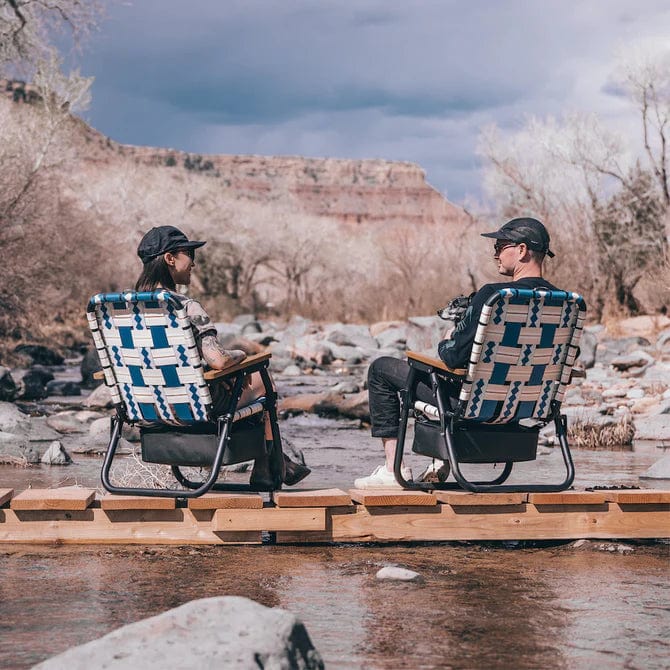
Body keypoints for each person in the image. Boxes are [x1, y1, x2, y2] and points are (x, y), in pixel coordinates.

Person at [354, 217, 559, 489]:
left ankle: (394, 469)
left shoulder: (493, 296)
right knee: (439, 379)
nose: (494, 253)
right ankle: (438, 458)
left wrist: (448, 338)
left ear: (521, 250)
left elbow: (453, 357)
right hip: (527, 408)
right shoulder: (563, 303)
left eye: (500, 246)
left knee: (382, 369)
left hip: (473, 405)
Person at [135, 225, 310, 488]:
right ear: (170, 258)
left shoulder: (123, 312)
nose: (193, 262)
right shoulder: (183, 307)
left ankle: (279, 463)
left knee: (235, 384)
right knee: (263, 381)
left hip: (145, 406)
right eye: (189, 254)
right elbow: (218, 360)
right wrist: (240, 354)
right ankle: (269, 467)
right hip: (191, 408)